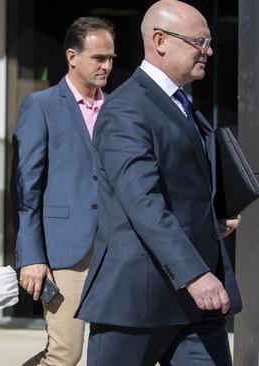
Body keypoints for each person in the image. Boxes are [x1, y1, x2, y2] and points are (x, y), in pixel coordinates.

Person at [75, 1, 242, 365]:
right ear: (160, 41)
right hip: (136, 301)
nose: (209, 51)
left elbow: (179, 189)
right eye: (199, 41)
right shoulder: (126, 109)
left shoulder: (185, 106)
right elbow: (142, 200)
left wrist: (210, 220)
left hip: (197, 308)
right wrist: (194, 273)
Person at [12, 17, 116, 366]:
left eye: (111, 58)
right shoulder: (40, 106)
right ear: (72, 56)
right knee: (65, 354)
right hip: (64, 252)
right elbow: (27, 188)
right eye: (99, 58)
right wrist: (31, 255)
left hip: (115, 249)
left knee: (112, 352)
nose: (107, 65)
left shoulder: (119, 108)